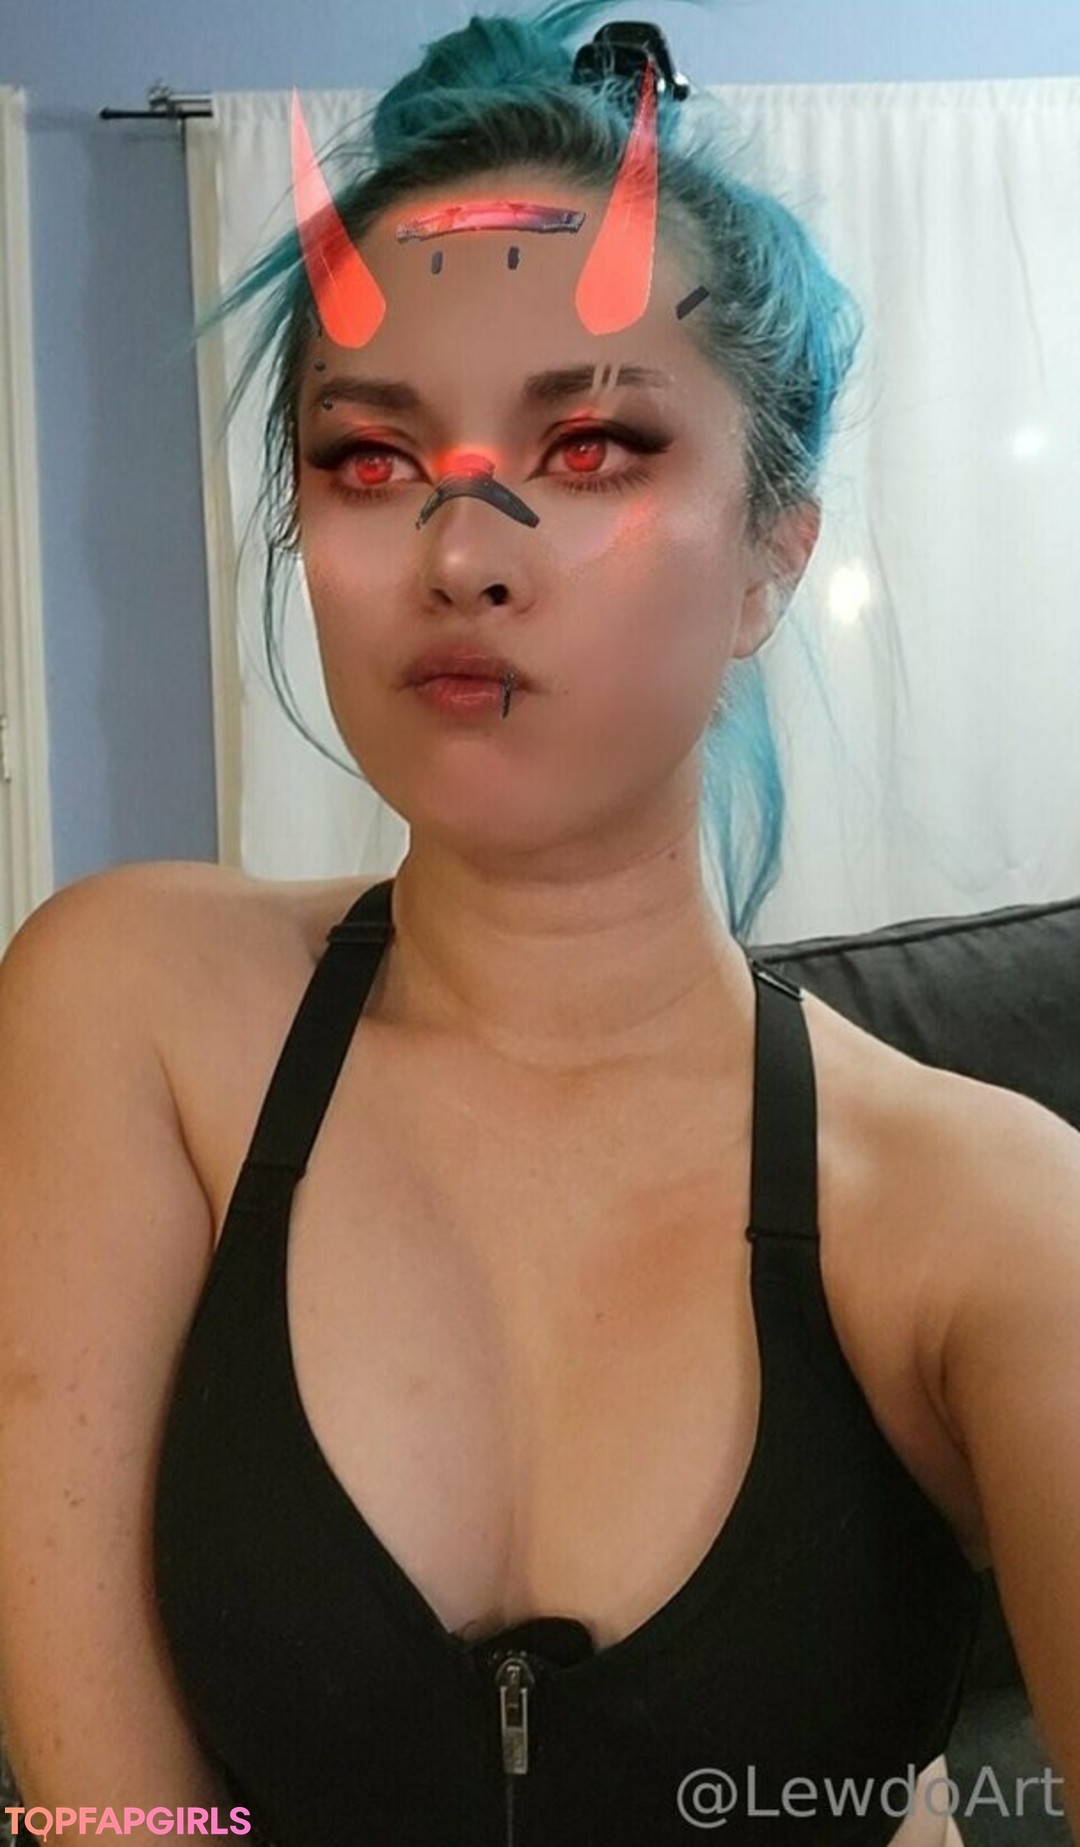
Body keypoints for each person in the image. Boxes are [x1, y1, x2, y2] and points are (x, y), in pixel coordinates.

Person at [1, 6, 1078, 1845]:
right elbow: (115, 1819)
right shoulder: (125, 1013)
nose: (459, 551)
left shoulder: (986, 1216)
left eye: (590, 447)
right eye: (367, 459)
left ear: (774, 554)